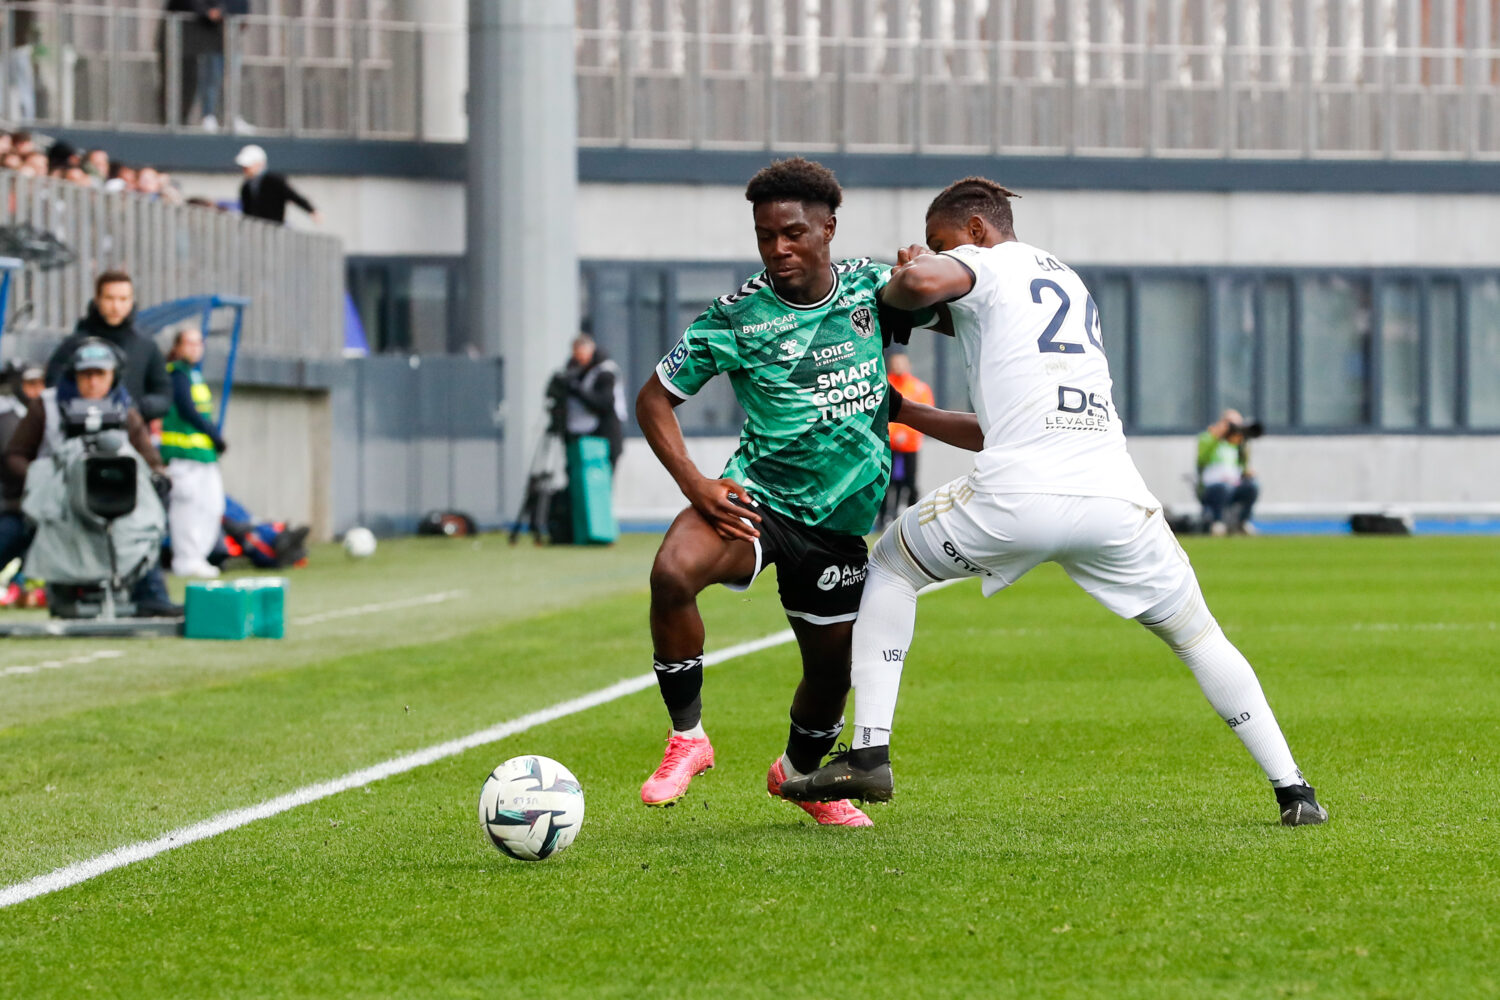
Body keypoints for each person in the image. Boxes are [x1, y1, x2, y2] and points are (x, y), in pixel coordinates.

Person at [778, 177, 1327, 827]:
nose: (937, 255)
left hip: (1019, 498)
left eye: (942, 242)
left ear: (977, 231)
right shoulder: (1063, 284)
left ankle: (869, 753)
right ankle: (1294, 791)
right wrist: (904, 409)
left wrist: (903, 277)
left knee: (893, 562)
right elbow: (990, 425)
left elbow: (921, 288)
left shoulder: (984, 260)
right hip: (1116, 503)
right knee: (1198, 635)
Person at [635, 157, 983, 826]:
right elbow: (654, 399)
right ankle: (688, 737)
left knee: (832, 674)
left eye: (793, 233)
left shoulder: (873, 288)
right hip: (758, 500)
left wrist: (928, 285)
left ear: (828, 227)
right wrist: (696, 483)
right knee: (673, 571)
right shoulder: (737, 316)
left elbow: (961, 316)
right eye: (766, 235)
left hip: (839, 525)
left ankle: (802, 778)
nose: (778, 249)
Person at [4, 340, 178, 617]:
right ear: (74, 375)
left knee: (148, 527)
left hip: (115, 507)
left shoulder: (125, 411)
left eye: (101, 375)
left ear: (113, 376)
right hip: (57, 506)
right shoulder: (46, 406)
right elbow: (15, 455)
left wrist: (156, 479)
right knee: (9, 532)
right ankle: (62, 591)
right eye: (86, 375)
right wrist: (42, 481)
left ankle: (151, 595)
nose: (93, 382)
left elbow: (151, 461)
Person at [45, 271, 171, 422]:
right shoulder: (74, 345)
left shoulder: (147, 346)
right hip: (78, 430)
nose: (116, 306)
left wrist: (133, 408)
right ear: (97, 300)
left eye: (123, 299)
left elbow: (164, 395)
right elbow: (53, 386)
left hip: (131, 433)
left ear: (132, 301)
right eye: (109, 298)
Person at [162, 328, 227, 578]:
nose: (194, 348)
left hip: (203, 456)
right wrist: (215, 434)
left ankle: (198, 556)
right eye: (189, 343)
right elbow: (188, 411)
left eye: (198, 343)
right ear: (177, 347)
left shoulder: (193, 374)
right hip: (183, 455)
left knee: (212, 506)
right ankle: (186, 559)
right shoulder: (176, 374)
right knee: (187, 510)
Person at [881, 352, 933, 528]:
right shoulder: (884, 383)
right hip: (887, 445)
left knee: (909, 483)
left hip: (910, 446)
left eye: (901, 363)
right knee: (887, 483)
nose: (898, 367)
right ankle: (884, 518)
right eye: (895, 363)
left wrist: (907, 435)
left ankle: (913, 518)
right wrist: (893, 434)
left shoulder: (918, 387)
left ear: (908, 365)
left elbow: (925, 415)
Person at [558, 333, 625, 469]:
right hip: (583, 433)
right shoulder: (579, 370)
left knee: (598, 480)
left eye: (582, 355)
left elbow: (604, 402)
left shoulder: (605, 371)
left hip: (606, 435)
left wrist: (578, 390)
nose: (580, 359)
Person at [1197, 409, 1260, 536]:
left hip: (1233, 484)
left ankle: (1243, 522)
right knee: (1224, 488)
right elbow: (1202, 459)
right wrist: (1216, 437)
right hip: (1212, 486)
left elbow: (1243, 466)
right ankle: (1217, 522)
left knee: (1252, 486)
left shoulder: (1238, 444)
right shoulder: (1207, 438)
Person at [236, 145, 321, 225]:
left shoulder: (274, 180)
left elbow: (293, 195)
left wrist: (311, 210)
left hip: (274, 228)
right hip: (255, 230)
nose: (245, 169)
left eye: (248, 166)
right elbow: (246, 211)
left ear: (259, 164)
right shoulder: (246, 187)